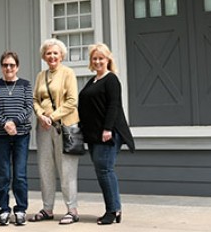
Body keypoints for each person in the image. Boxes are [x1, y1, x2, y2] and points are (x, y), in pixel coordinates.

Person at [78, 43, 135, 225]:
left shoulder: (111, 79)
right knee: (102, 170)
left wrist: (108, 129)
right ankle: (113, 208)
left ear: (108, 59)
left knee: (105, 170)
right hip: (94, 135)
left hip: (108, 134)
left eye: (101, 58)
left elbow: (114, 105)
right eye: (94, 58)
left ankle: (113, 210)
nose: (97, 61)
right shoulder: (93, 80)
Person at [31, 38, 80, 225]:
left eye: (55, 53)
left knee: (66, 169)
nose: (52, 56)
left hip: (64, 127)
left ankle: (72, 209)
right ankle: (47, 208)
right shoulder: (40, 76)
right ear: (44, 56)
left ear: (61, 56)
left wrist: (52, 117)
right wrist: (41, 114)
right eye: (48, 53)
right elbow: (35, 99)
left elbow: (72, 101)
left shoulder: (68, 73)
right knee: (45, 169)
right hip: (43, 127)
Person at [0, 51, 33, 226]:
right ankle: (4, 209)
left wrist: (13, 122)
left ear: (17, 67)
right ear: (1, 67)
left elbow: (28, 107)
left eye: (12, 65)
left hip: (21, 135)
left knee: (20, 174)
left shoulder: (25, 85)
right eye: (5, 65)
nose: (8, 68)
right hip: (0, 136)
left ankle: (21, 209)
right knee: (3, 175)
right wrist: (5, 124)